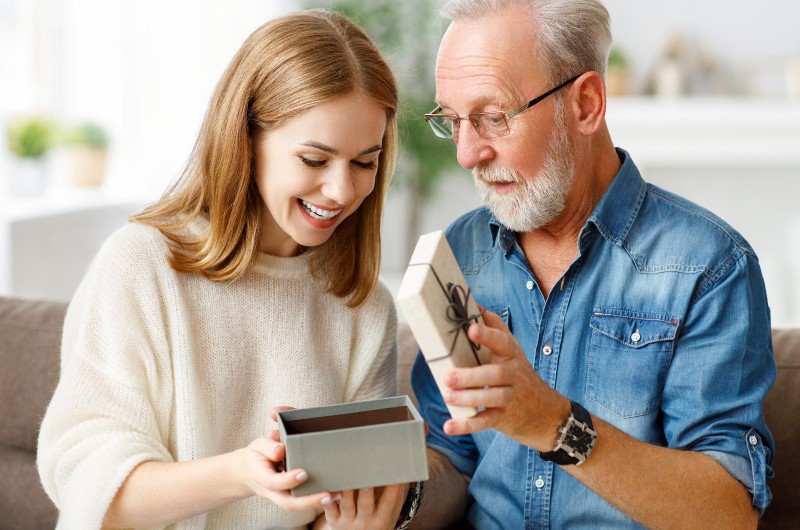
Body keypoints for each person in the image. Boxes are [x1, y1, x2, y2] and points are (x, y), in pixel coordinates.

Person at [408, 1, 776, 528]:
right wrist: (398, 502)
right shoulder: (461, 253)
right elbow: (454, 458)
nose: (467, 154)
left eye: (493, 118)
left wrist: (555, 425)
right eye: (452, 120)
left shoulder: (708, 267)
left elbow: (729, 511)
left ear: (585, 104)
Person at [37, 10, 408, 530]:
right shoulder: (143, 266)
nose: (342, 191)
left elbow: (349, 498)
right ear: (245, 138)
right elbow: (88, 486)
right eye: (313, 159)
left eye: (364, 162)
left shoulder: (363, 306)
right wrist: (242, 474)